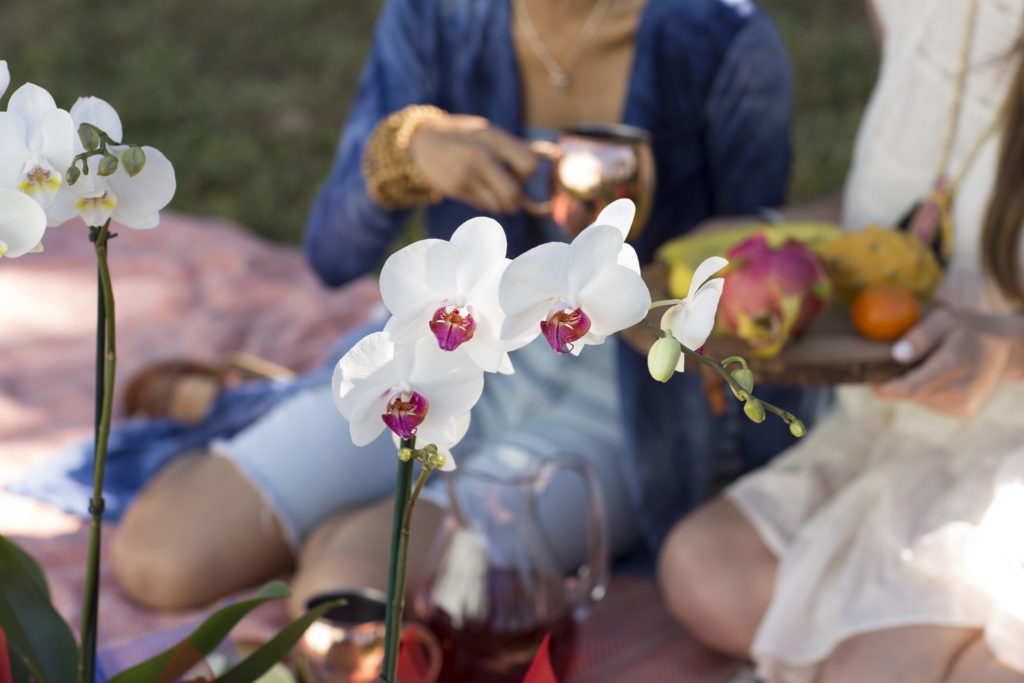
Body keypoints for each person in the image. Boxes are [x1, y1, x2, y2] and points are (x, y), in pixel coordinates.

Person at [109, 0, 823, 615]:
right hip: (450, 348)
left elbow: (754, 268)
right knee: (162, 556)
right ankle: (261, 412)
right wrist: (409, 153)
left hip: (620, 397)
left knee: (350, 587)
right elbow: (332, 255)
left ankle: (276, 431)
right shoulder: (438, 14)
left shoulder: (722, 39)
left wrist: (681, 274)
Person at [658, 0, 1024, 680]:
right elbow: (896, 211)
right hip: (903, 429)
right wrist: (758, 240)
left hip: (1011, 440)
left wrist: (1002, 345)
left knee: (873, 666)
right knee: (700, 568)